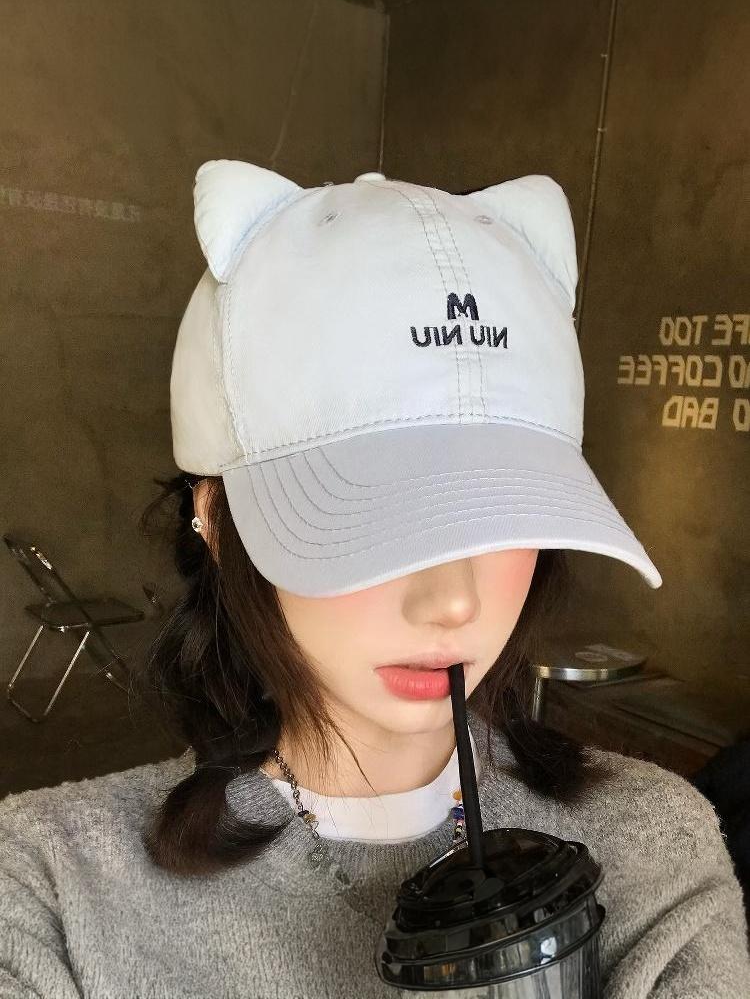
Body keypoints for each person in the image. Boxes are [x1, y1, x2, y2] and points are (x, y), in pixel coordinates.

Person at [1, 161, 749, 998]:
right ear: (214, 518)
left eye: (500, 514)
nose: (454, 602)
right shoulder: (51, 887)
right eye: (377, 523)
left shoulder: (651, 850)